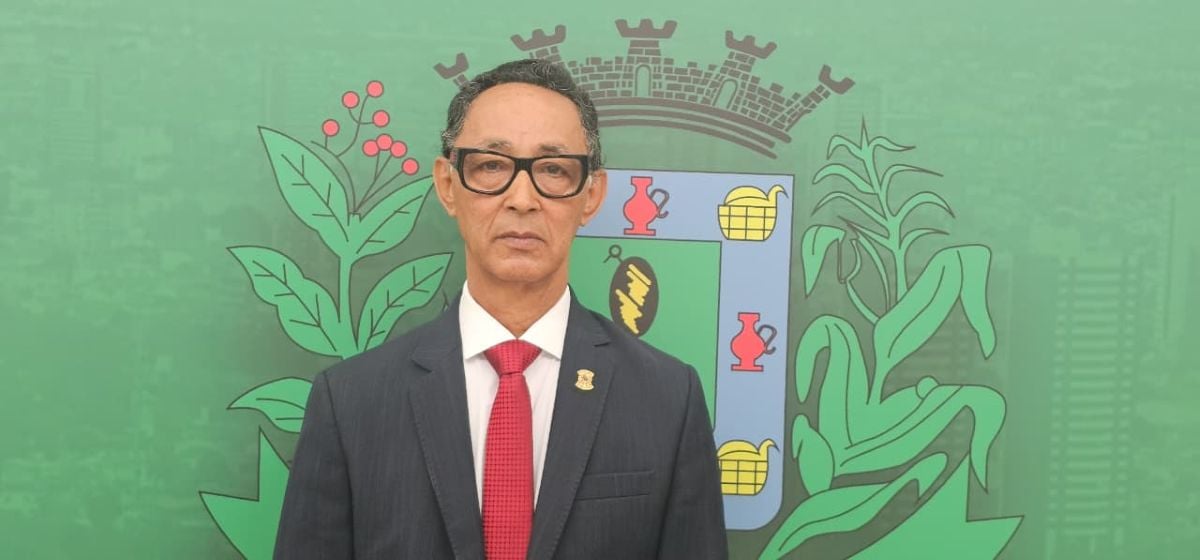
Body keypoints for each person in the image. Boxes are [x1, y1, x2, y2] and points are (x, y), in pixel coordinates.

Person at [274, 58, 727, 560]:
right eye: (491, 165)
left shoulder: (667, 399)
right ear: (448, 185)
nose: (522, 199)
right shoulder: (351, 402)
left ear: (591, 194)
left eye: (553, 169)